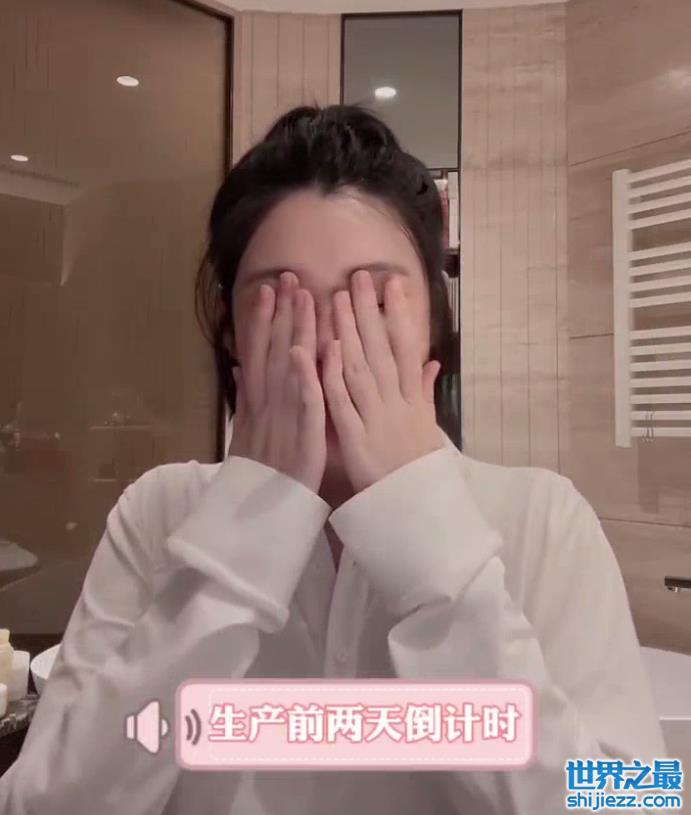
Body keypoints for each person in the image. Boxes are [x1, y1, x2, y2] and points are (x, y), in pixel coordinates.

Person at [0, 105, 666, 815]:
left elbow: (633, 799)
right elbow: (43, 803)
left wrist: (430, 549)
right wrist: (234, 547)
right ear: (230, 331)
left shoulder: (542, 517)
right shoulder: (161, 510)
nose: (326, 340)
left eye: (372, 298)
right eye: (279, 299)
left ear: (432, 322)